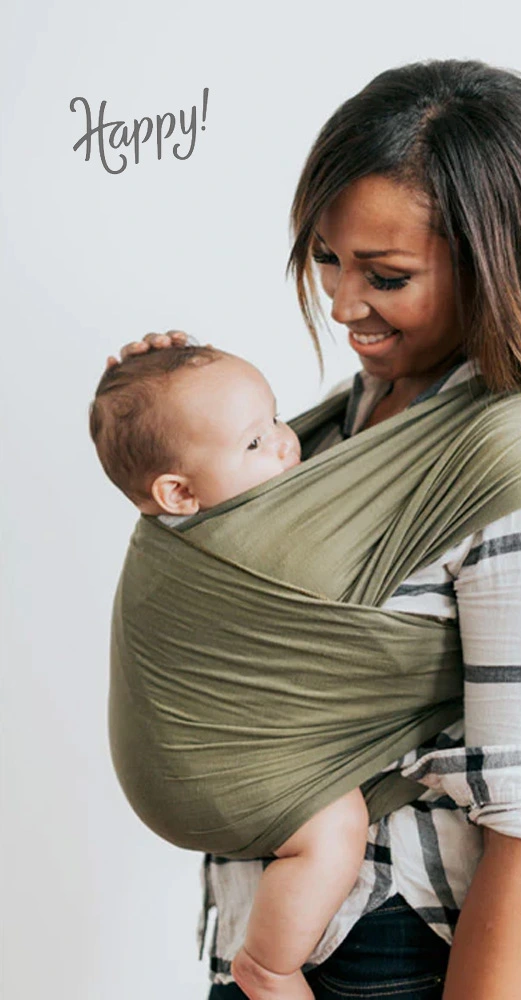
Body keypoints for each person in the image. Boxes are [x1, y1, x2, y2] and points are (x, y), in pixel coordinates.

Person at [113, 59, 521, 1000]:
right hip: (275, 938)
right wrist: (150, 410)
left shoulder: (513, 473)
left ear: (496, 265)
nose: (344, 305)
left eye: (386, 276)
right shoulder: (334, 430)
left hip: (420, 952)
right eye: (327, 260)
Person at [90, 345, 376, 1000]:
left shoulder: (198, 514)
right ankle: (270, 967)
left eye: (275, 420)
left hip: (176, 766)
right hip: (196, 773)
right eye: (254, 443)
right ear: (180, 493)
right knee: (337, 826)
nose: (284, 444)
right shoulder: (241, 547)